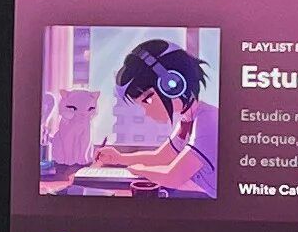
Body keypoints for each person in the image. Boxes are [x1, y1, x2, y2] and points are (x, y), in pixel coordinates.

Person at [87, 36, 216, 196]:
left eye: (147, 100)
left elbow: (173, 177)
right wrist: (120, 158)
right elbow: (162, 157)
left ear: (173, 85)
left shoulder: (208, 121)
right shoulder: (187, 120)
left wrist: (138, 169)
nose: (146, 111)